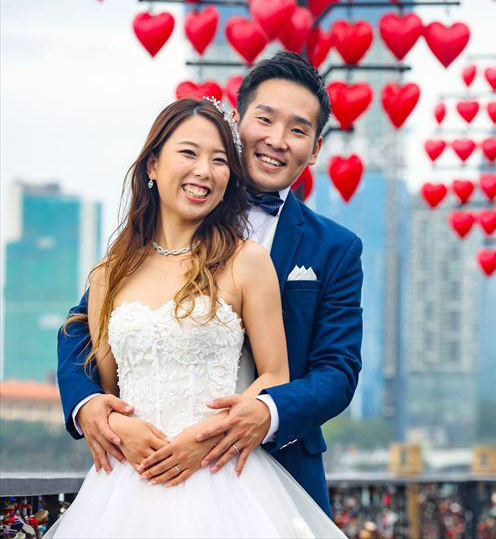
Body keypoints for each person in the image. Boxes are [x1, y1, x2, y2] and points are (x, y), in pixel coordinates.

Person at [56, 52, 363, 518]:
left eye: (298, 130)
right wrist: (92, 405)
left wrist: (267, 412)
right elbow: (85, 328)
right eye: (265, 119)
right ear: (238, 121)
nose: (276, 140)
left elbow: (338, 370)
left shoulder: (335, 249)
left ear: (316, 149)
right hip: (139, 475)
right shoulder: (143, 245)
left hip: (263, 480)